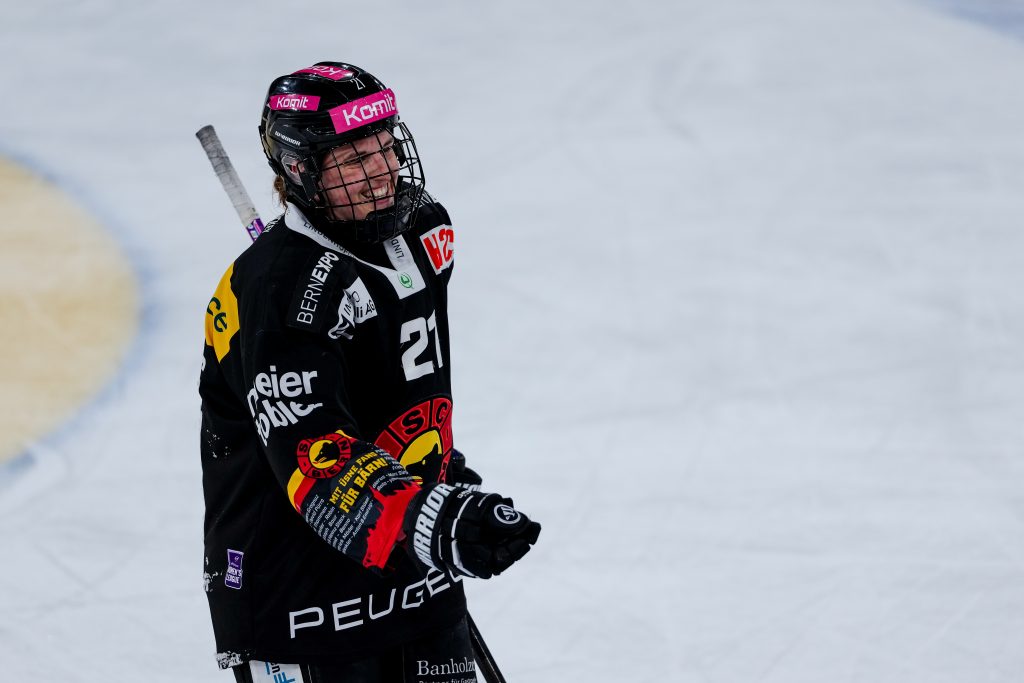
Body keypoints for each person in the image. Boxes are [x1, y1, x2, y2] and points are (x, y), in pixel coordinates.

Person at [199, 61, 541, 683]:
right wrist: (435, 518)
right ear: (300, 170)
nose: (381, 172)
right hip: (300, 600)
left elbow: (392, 383)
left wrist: (435, 478)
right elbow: (314, 458)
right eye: (355, 161)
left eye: (385, 148)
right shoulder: (278, 291)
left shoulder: (422, 232)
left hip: (413, 573)